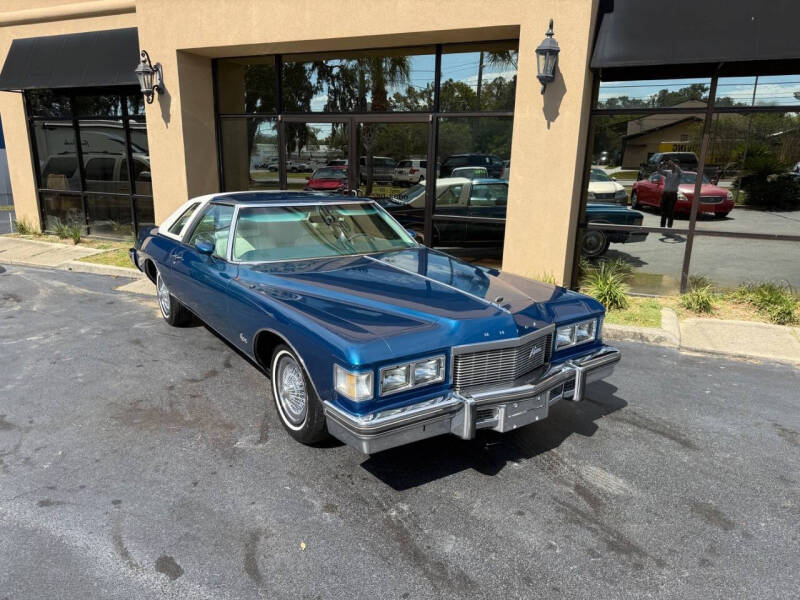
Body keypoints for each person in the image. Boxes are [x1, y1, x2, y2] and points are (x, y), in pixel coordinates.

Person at [657, 159, 682, 228]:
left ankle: (669, 227)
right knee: (663, 211)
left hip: (672, 195)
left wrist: (673, 164)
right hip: (665, 194)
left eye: (674, 164)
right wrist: (661, 165)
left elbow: (679, 170)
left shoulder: (679, 174)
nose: (672, 166)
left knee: (670, 212)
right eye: (672, 165)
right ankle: (662, 226)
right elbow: (659, 171)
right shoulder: (668, 172)